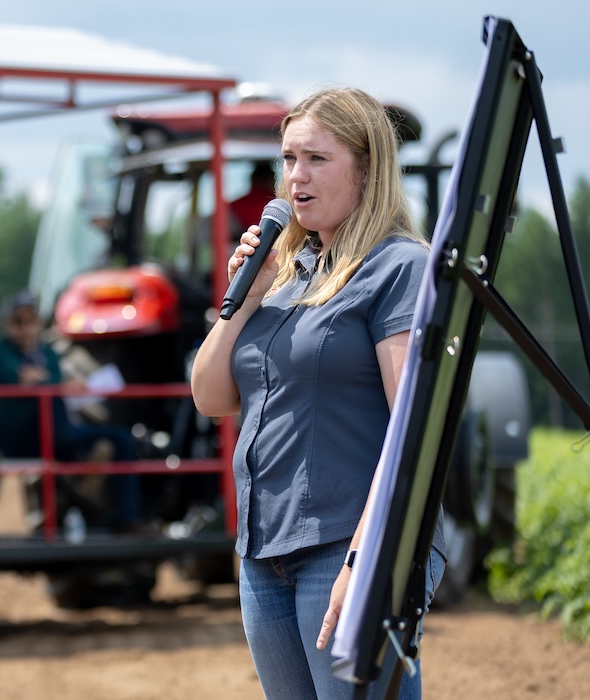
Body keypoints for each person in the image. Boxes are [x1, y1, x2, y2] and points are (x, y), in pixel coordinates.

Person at [189, 87, 446, 699]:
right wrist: (247, 297)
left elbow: (416, 430)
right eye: (287, 159)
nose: (295, 177)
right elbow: (210, 395)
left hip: (346, 546)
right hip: (263, 555)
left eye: (317, 160)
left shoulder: (399, 268)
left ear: (367, 168)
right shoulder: (288, 273)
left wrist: (366, 557)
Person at [0, 291, 142, 534]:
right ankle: (83, 470)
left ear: (39, 323)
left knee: (122, 439)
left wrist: (48, 382)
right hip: (16, 436)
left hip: (57, 432)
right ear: (7, 324)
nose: (25, 328)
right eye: (18, 322)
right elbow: (38, 382)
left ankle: (125, 519)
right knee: (51, 400)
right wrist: (51, 383)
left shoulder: (47, 353)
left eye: (31, 321)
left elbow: (47, 381)